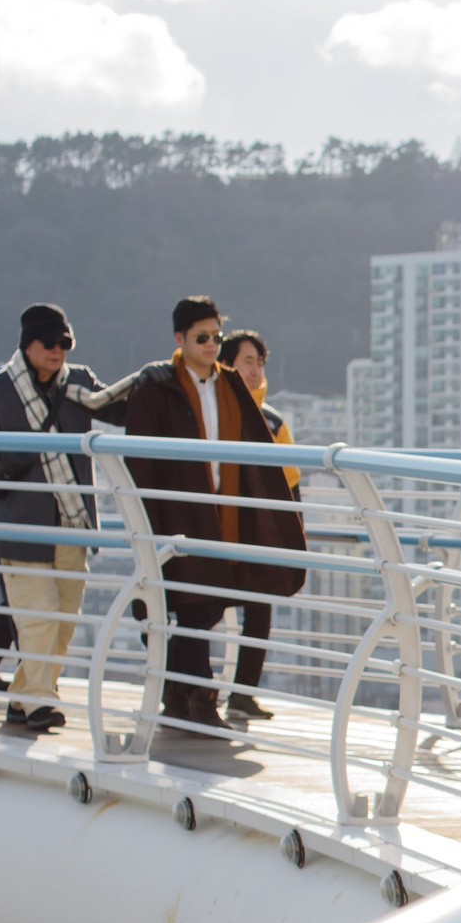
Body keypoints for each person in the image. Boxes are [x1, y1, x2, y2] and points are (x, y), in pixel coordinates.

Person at [117, 297, 304, 734]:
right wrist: (144, 520)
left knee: (202, 607)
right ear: (180, 338)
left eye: (216, 336)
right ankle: (197, 699)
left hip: (228, 516)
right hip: (176, 515)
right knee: (192, 606)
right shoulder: (158, 387)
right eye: (202, 337)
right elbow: (138, 459)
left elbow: (260, 455)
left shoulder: (230, 386)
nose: (211, 344)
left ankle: (181, 697)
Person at [0, 304, 106, 732]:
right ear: (28, 345)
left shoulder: (79, 382)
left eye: (65, 343)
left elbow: (116, 407)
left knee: (63, 619)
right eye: (50, 343)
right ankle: (40, 703)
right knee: (38, 616)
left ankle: (23, 698)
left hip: (72, 524)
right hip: (20, 524)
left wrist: (152, 380)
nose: (58, 351)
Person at [216, 328, 307, 722]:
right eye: (247, 362)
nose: (255, 371)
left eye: (259, 363)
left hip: (259, 536)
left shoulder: (272, 422)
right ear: (226, 364)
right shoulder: (214, 412)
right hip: (221, 531)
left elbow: (290, 482)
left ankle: (242, 695)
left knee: (259, 611)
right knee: (204, 607)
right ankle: (187, 691)